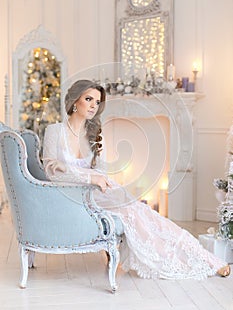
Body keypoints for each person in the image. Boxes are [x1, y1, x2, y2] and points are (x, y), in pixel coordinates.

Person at [43, 79, 230, 280]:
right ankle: (190, 259)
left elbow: (101, 172)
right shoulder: (55, 131)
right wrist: (88, 176)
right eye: (88, 99)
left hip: (100, 192)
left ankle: (202, 258)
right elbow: (51, 172)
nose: (93, 106)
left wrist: (92, 176)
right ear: (74, 100)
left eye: (97, 102)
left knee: (145, 214)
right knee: (136, 214)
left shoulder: (94, 134)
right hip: (75, 198)